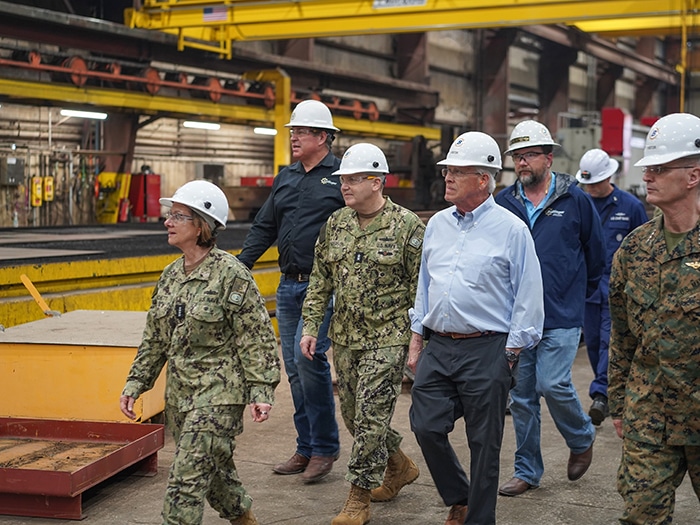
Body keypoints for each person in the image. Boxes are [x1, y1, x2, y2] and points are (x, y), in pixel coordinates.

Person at [120, 180, 281, 525]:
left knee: (185, 481)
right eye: (170, 214)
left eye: (178, 215)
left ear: (201, 225)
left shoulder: (231, 275)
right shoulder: (169, 276)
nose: (168, 221)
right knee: (214, 471)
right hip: (181, 396)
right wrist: (136, 383)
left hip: (220, 394)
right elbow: (155, 339)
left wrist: (262, 391)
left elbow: (257, 339)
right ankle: (243, 517)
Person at [408, 131, 545, 525]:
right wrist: (418, 339)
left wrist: (511, 352)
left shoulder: (511, 230)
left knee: (484, 443)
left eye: (457, 172)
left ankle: (480, 519)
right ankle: (459, 495)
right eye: (447, 170)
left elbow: (529, 295)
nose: (447, 178)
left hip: (489, 346)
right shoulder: (436, 225)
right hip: (439, 344)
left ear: (483, 179)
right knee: (425, 425)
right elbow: (424, 285)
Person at [300, 143, 425, 525]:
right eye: (344, 180)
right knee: (354, 416)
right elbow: (320, 279)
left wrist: (418, 338)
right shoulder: (336, 223)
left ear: (378, 181)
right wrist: (310, 327)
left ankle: (357, 500)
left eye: (354, 179)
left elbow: (423, 286)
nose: (345, 186)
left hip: (388, 337)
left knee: (371, 417)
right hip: (345, 337)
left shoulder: (407, 227)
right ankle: (399, 465)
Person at [495, 120, 605, 497]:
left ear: (548, 157)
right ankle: (527, 470)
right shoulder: (504, 203)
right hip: (518, 318)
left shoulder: (576, 201)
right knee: (521, 396)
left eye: (528, 156)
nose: (521, 163)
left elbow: (596, 256)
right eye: (517, 157)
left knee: (552, 382)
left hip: (561, 313)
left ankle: (581, 435)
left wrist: (573, 294)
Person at [237, 99, 344, 483]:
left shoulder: (341, 176)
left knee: (308, 361)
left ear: (323, 136)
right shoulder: (286, 177)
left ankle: (325, 449)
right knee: (295, 372)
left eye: (300, 132)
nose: (294, 137)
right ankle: (306, 446)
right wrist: (239, 265)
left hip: (323, 287)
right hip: (288, 286)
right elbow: (265, 227)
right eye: (293, 132)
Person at [608, 112, 700, 525]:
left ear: (693, 175)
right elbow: (622, 335)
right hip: (649, 411)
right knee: (642, 514)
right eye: (648, 169)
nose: (647, 177)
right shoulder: (634, 249)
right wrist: (618, 405)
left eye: (659, 169)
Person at [575, 149, 648, 426]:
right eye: (587, 183)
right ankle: (609, 391)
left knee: (609, 342)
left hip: (619, 291)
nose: (591, 188)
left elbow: (644, 250)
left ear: (609, 177)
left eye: (596, 182)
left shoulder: (630, 207)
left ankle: (601, 395)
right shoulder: (580, 203)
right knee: (593, 344)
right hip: (588, 290)